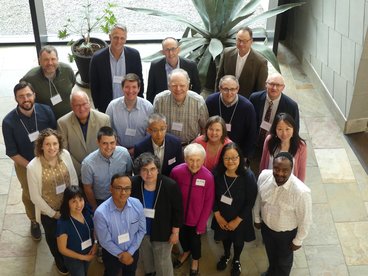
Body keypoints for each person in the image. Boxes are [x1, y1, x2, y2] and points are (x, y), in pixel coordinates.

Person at [2, 81, 56, 241]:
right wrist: (32, 166)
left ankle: (52, 214)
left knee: (52, 188)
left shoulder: (46, 111)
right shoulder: (8, 122)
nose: (25, 99)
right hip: (25, 164)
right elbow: (12, 152)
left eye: (28, 95)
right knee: (30, 194)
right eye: (21, 96)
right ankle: (34, 221)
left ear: (34, 95)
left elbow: (55, 136)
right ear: (16, 99)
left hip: (49, 159)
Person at [27, 128, 79, 275]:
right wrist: (53, 214)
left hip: (68, 207)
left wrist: (74, 202)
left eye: (55, 144)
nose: (52, 148)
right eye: (48, 144)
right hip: (49, 213)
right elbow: (35, 196)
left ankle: (71, 257)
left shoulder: (65, 155)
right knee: (53, 239)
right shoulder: (33, 166)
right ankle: (59, 260)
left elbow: (73, 178)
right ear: (41, 146)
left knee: (70, 235)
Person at [254, 152, 312, 276]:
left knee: (284, 263)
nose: (280, 173)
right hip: (267, 228)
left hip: (286, 235)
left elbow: (305, 220)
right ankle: (271, 272)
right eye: (276, 168)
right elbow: (258, 199)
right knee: (271, 254)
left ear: (291, 169)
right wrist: (257, 218)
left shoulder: (301, 192)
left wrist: (298, 240)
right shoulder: (264, 176)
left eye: (285, 170)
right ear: (272, 166)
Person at [131, 152, 183, 276]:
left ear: (158, 169)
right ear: (139, 171)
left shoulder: (170, 185)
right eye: (144, 170)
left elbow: (178, 211)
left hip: (163, 232)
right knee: (147, 259)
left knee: (163, 263)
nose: (149, 174)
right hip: (142, 232)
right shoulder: (134, 183)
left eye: (152, 169)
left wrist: (175, 233)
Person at [211, 143, 258, 276]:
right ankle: (226, 255)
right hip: (222, 215)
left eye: (234, 158)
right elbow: (211, 196)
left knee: (238, 241)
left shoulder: (248, 176)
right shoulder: (217, 174)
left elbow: (250, 201)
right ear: (222, 159)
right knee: (225, 238)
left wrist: (237, 221)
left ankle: (236, 259)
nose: (230, 161)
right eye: (226, 158)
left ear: (240, 158)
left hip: (240, 217)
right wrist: (217, 215)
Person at [170, 143, 214, 276]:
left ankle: (195, 259)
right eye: (191, 159)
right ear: (185, 159)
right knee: (182, 238)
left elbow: (208, 203)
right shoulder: (176, 172)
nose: (194, 164)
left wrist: (201, 224)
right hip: (179, 218)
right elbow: (171, 195)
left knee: (195, 242)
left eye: (198, 160)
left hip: (196, 220)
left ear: (203, 160)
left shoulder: (208, 177)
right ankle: (186, 252)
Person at [93, 173, 146, 276]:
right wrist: (122, 255)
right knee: (110, 273)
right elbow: (104, 241)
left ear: (131, 190)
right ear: (111, 189)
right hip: (111, 254)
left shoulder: (137, 204)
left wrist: (130, 252)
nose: (123, 192)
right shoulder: (101, 213)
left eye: (127, 188)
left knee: (130, 273)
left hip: (133, 251)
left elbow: (142, 230)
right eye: (118, 188)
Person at [249, 72, 299, 174]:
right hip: (255, 147)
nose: (274, 88)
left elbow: (295, 130)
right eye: (271, 84)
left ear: (283, 87)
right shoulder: (254, 98)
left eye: (278, 85)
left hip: (274, 149)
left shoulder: (291, 106)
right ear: (266, 84)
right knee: (255, 176)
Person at [90, 24, 144, 112]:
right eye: (115, 37)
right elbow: (94, 86)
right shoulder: (97, 58)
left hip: (130, 104)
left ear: (126, 39)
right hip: (107, 106)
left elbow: (139, 80)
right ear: (110, 37)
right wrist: (99, 107)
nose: (119, 41)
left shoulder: (134, 55)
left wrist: (139, 101)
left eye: (122, 38)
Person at [57, 90, 110, 179]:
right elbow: (64, 152)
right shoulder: (62, 123)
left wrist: (94, 168)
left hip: (100, 170)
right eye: (77, 105)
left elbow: (107, 147)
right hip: (76, 172)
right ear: (72, 106)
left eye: (84, 104)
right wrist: (82, 169)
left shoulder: (104, 120)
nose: (81, 109)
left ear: (89, 103)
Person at [81, 126, 132, 211]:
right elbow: (87, 188)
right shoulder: (88, 164)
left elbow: (129, 174)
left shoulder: (124, 154)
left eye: (112, 143)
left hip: (122, 197)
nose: (109, 147)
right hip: (101, 201)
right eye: (105, 143)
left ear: (116, 141)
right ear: (98, 142)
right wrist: (95, 208)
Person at [206, 75, 257, 159]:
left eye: (233, 89)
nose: (229, 93)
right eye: (225, 89)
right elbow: (205, 125)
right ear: (220, 88)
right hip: (213, 150)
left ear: (237, 89)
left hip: (236, 154)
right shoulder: (211, 101)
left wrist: (244, 156)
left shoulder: (247, 107)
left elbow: (251, 134)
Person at [153, 68, 209, 145]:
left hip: (191, 146)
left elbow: (205, 127)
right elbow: (154, 125)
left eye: (182, 85)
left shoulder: (198, 101)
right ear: (169, 86)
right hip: (167, 146)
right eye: (174, 85)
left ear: (188, 85)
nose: (178, 89)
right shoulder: (160, 100)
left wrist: (200, 145)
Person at [21, 45, 76, 119]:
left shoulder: (67, 70)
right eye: (46, 60)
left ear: (57, 59)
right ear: (39, 61)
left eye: (53, 59)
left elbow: (73, 84)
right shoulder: (30, 79)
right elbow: (23, 98)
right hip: (45, 119)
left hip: (68, 117)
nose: (50, 63)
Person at [106, 73, 153, 156]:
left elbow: (150, 133)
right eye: (127, 87)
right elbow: (108, 130)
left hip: (142, 151)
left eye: (134, 87)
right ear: (122, 88)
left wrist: (136, 149)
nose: (130, 91)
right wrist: (119, 148)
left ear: (139, 89)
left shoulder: (148, 107)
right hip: (116, 151)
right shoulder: (112, 107)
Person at [216, 27, 268, 98]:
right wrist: (217, 98)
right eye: (239, 40)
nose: (241, 44)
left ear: (251, 41)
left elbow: (261, 89)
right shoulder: (227, 53)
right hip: (226, 98)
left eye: (245, 41)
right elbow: (219, 79)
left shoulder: (260, 62)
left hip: (246, 102)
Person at [57, 186, 97, 276]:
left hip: (89, 252)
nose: (79, 205)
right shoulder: (63, 223)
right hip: (74, 259)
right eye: (74, 201)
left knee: (89, 272)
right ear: (67, 203)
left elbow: (94, 229)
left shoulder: (86, 211)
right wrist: (84, 257)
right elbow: (62, 249)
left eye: (80, 200)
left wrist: (95, 244)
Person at [146, 37, 201, 103]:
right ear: (162, 52)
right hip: (162, 104)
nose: (170, 53)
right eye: (167, 50)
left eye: (173, 49)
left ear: (178, 50)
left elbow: (197, 87)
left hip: (185, 104)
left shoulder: (190, 65)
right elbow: (150, 91)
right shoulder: (155, 66)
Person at [260, 113, 307, 181]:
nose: (284, 133)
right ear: (275, 130)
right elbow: (263, 164)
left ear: (293, 129)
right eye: (280, 129)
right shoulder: (269, 140)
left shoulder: (301, 146)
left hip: (290, 184)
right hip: (270, 181)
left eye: (287, 129)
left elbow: (301, 171)